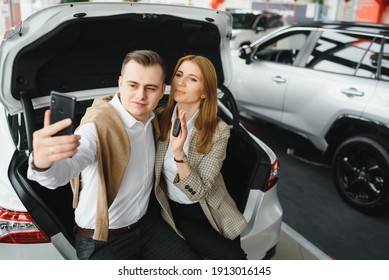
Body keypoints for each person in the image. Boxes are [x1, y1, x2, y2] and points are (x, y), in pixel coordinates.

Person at [27, 50, 199, 260]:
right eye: (132, 85)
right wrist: (42, 162)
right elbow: (63, 172)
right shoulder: (95, 127)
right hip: (103, 241)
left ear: (163, 89)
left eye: (150, 88)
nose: (140, 95)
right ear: (120, 82)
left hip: (147, 227)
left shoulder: (153, 118)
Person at [154, 55, 248, 259]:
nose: (181, 82)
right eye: (179, 75)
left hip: (213, 208)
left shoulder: (218, 130)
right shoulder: (159, 119)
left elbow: (199, 191)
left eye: (192, 79)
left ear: (205, 92)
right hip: (178, 211)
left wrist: (179, 154)